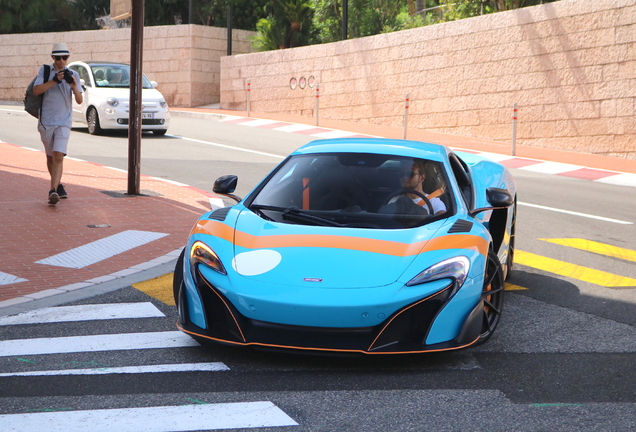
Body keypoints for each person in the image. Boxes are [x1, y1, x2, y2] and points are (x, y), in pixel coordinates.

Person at [33, 42, 83, 205]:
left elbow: (79, 100)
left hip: (64, 121)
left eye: (65, 57)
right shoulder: (45, 71)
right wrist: (55, 80)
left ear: (68, 57)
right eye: (58, 57)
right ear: (53, 57)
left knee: (58, 155)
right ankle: (58, 184)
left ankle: (52, 191)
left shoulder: (73, 74)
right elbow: (36, 90)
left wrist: (74, 86)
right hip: (46, 121)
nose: (61, 61)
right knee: (50, 156)